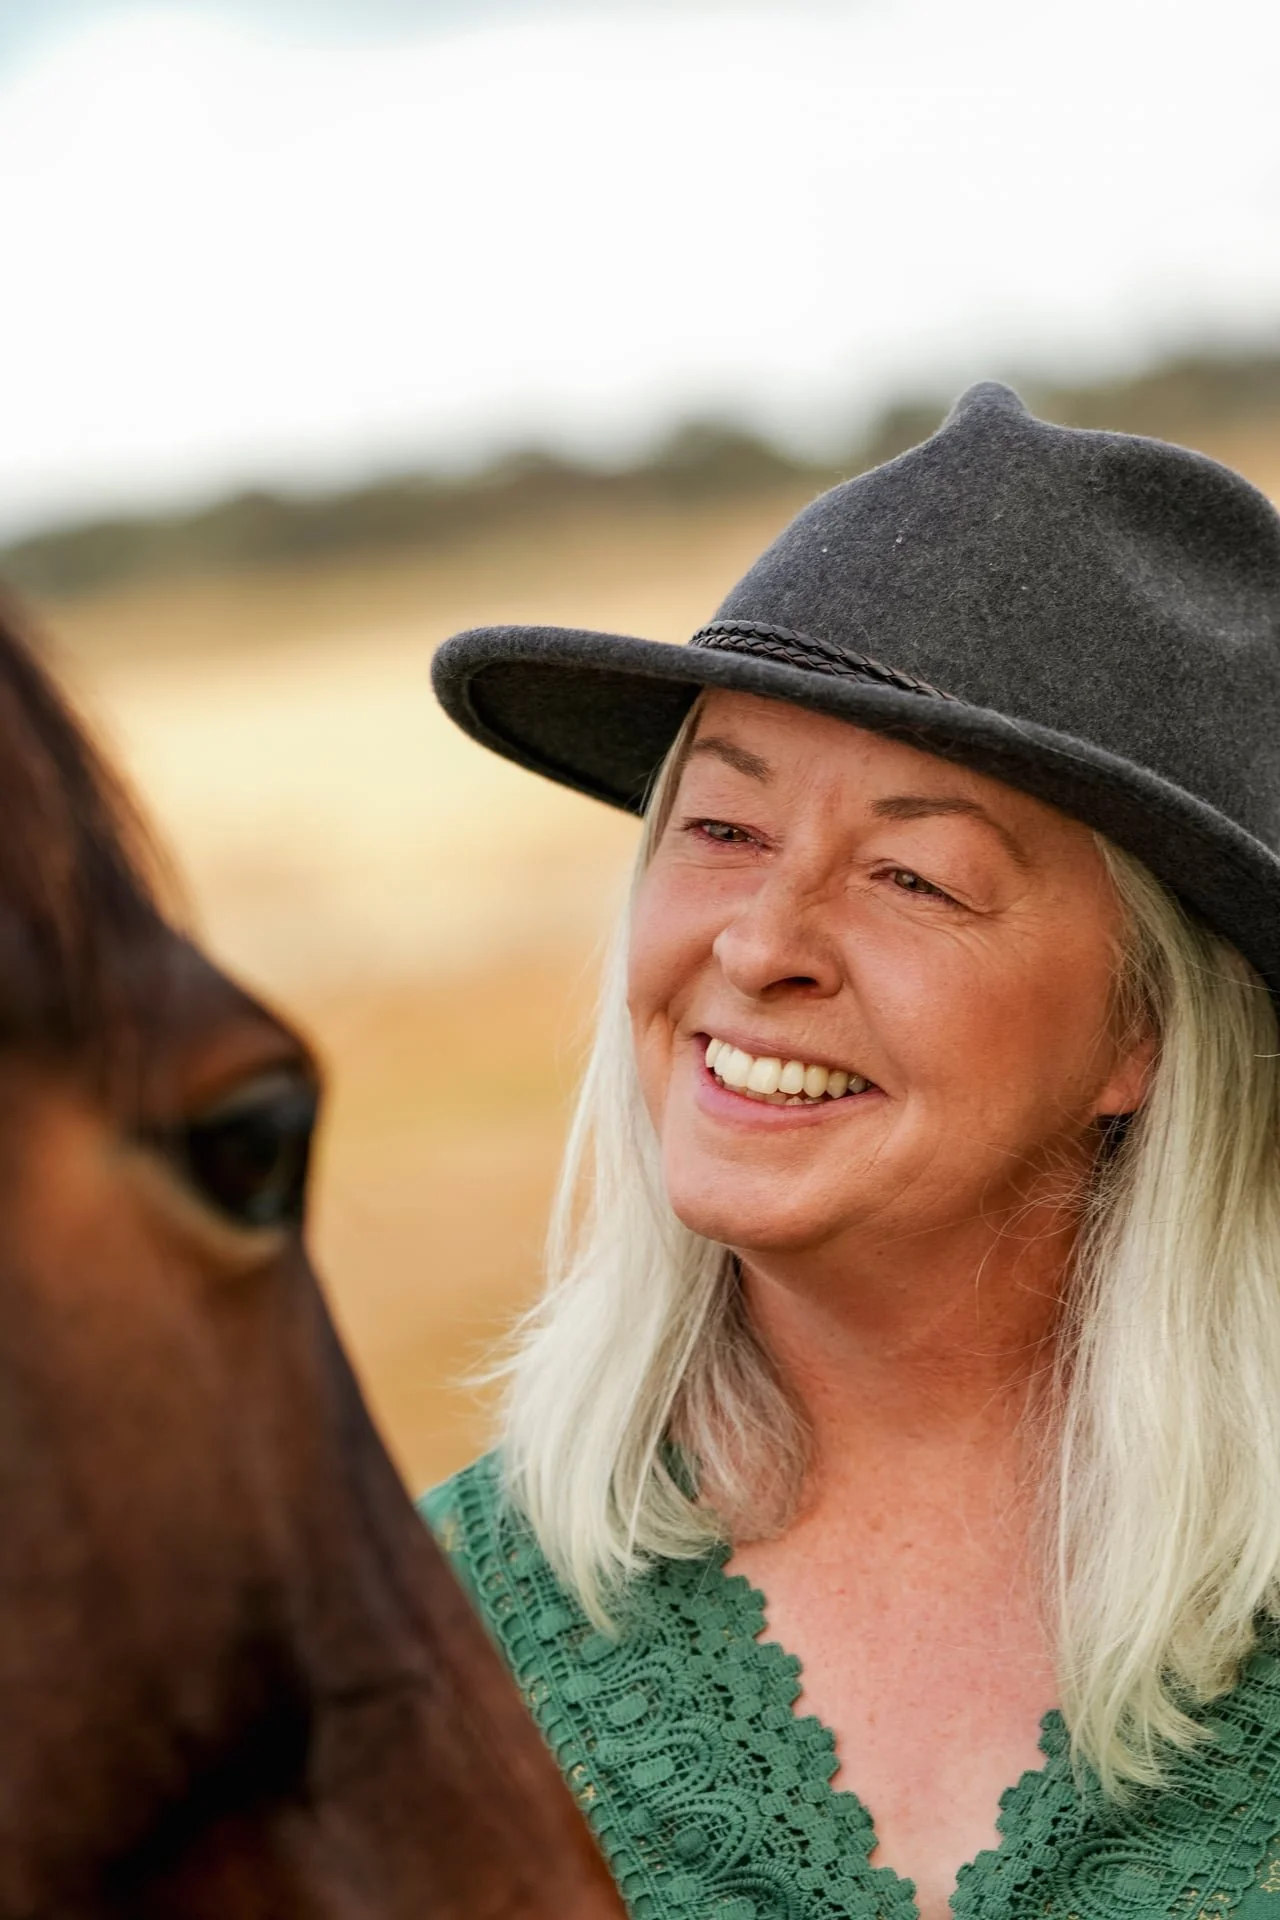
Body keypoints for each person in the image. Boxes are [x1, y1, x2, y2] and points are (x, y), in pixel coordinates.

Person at [421, 384, 1280, 1920]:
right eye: (722, 830)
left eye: (912, 875)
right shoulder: (420, 1643)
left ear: (1146, 1029)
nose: (761, 946)